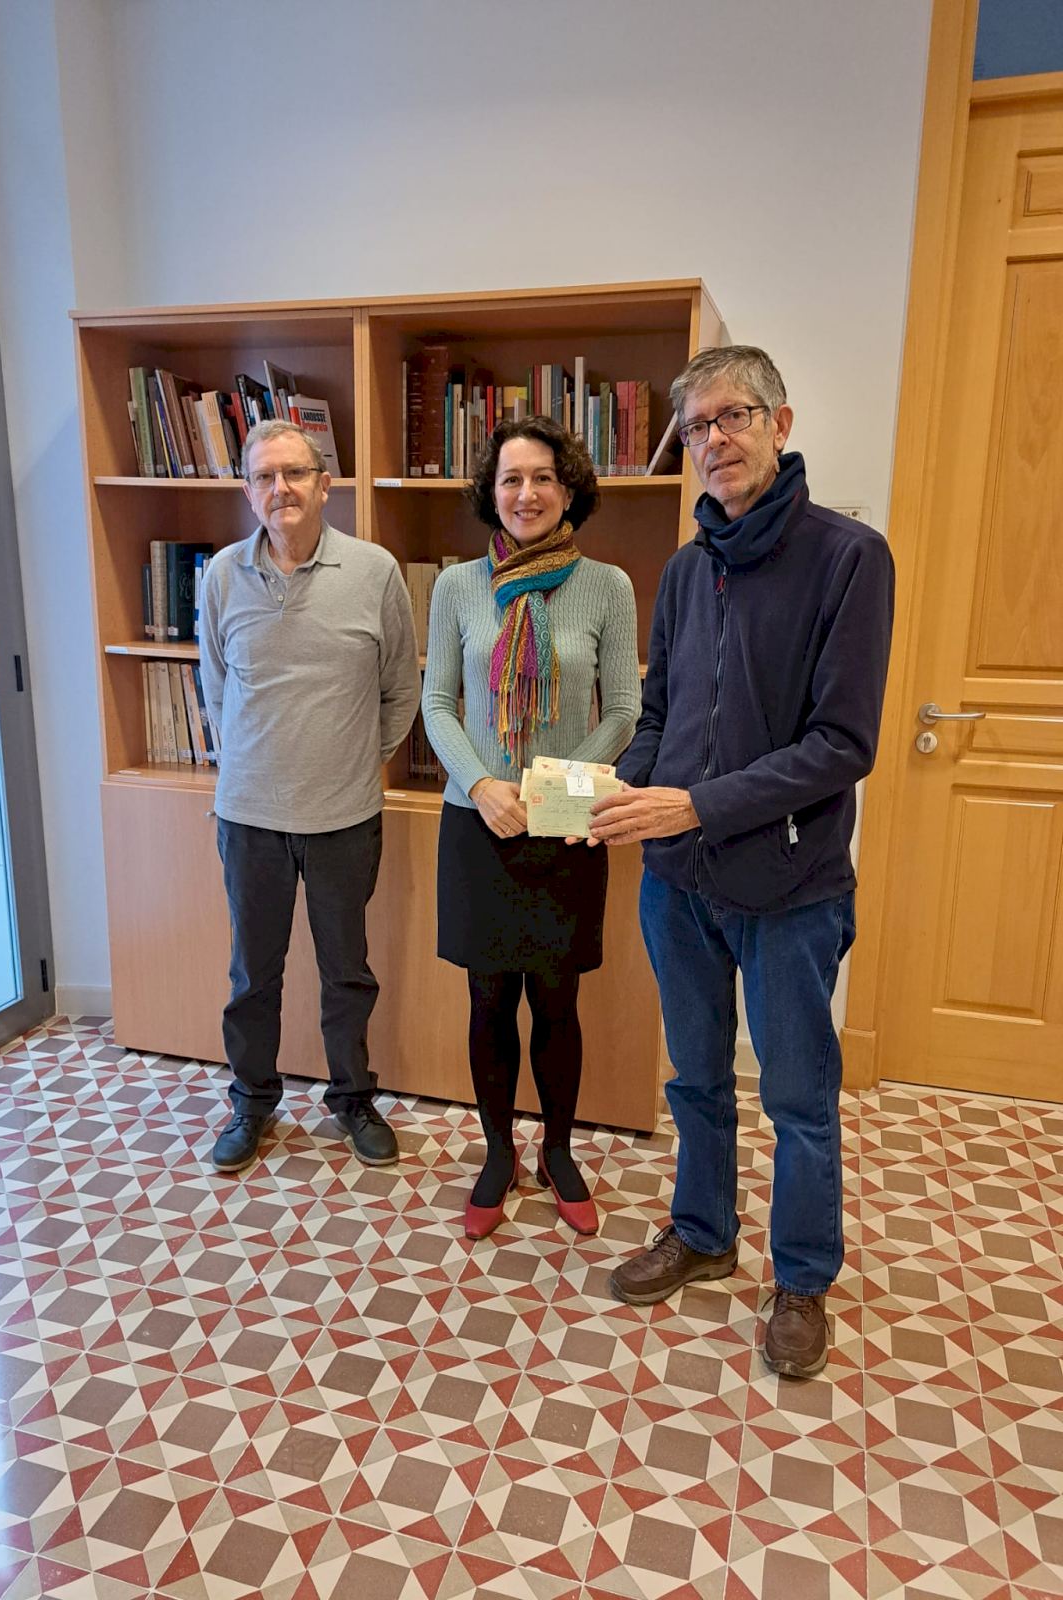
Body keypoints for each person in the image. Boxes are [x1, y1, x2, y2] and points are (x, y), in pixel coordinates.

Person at [590, 347, 894, 1378]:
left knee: (799, 1099)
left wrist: (700, 803)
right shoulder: (687, 568)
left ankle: (802, 1279)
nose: (714, 438)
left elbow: (842, 744)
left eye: (735, 416)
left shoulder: (851, 558)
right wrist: (618, 790)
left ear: (780, 423)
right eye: (697, 425)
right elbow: (662, 713)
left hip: (791, 888)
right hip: (676, 881)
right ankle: (703, 1232)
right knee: (696, 1078)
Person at [422, 416, 641, 1241]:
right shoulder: (456, 587)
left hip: (565, 823)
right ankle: (496, 1153)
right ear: (492, 491)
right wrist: (482, 784)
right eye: (511, 478)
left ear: (568, 487)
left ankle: (557, 1151)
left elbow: (623, 710)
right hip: (476, 822)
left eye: (543, 477)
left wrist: (550, 790)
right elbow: (437, 701)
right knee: (488, 1000)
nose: (527, 493)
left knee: (557, 1000)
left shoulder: (608, 586)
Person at [200, 419, 421, 1174]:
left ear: (326, 485)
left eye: (294, 473)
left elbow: (400, 691)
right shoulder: (222, 575)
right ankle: (251, 1103)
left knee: (346, 974)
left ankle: (352, 1099)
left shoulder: (374, 571)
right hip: (248, 817)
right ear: (248, 491)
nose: (280, 489)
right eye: (264, 477)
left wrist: (351, 761)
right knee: (251, 977)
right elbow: (217, 688)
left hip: (344, 817)